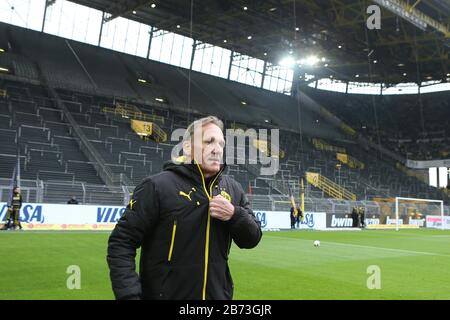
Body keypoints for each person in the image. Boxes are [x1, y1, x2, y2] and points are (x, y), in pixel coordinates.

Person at [107, 116, 262, 300]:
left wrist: (235, 215)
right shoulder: (157, 186)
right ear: (188, 147)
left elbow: (252, 239)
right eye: (209, 141)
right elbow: (122, 243)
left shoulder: (233, 189)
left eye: (221, 144)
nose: (217, 149)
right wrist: (129, 296)